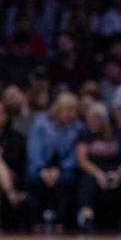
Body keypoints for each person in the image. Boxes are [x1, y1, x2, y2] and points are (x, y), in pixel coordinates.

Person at [75, 102, 121, 231]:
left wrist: (119, 173)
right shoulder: (84, 133)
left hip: (118, 169)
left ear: (104, 119)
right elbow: (82, 160)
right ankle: (87, 217)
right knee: (86, 177)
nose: (90, 122)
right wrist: (97, 173)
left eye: (94, 119)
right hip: (95, 169)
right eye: (89, 119)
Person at [25, 92, 82, 229]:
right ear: (58, 109)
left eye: (74, 110)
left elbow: (75, 154)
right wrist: (42, 169)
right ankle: (35, 220)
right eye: (68, 110)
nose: (71, 114)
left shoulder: (78, 127)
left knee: (67, 179)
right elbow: (33, 149)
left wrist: (60, 169)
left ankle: (60, 221)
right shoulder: (41, 122)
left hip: (63, 167)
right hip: (41, 165)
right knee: (33, 176)